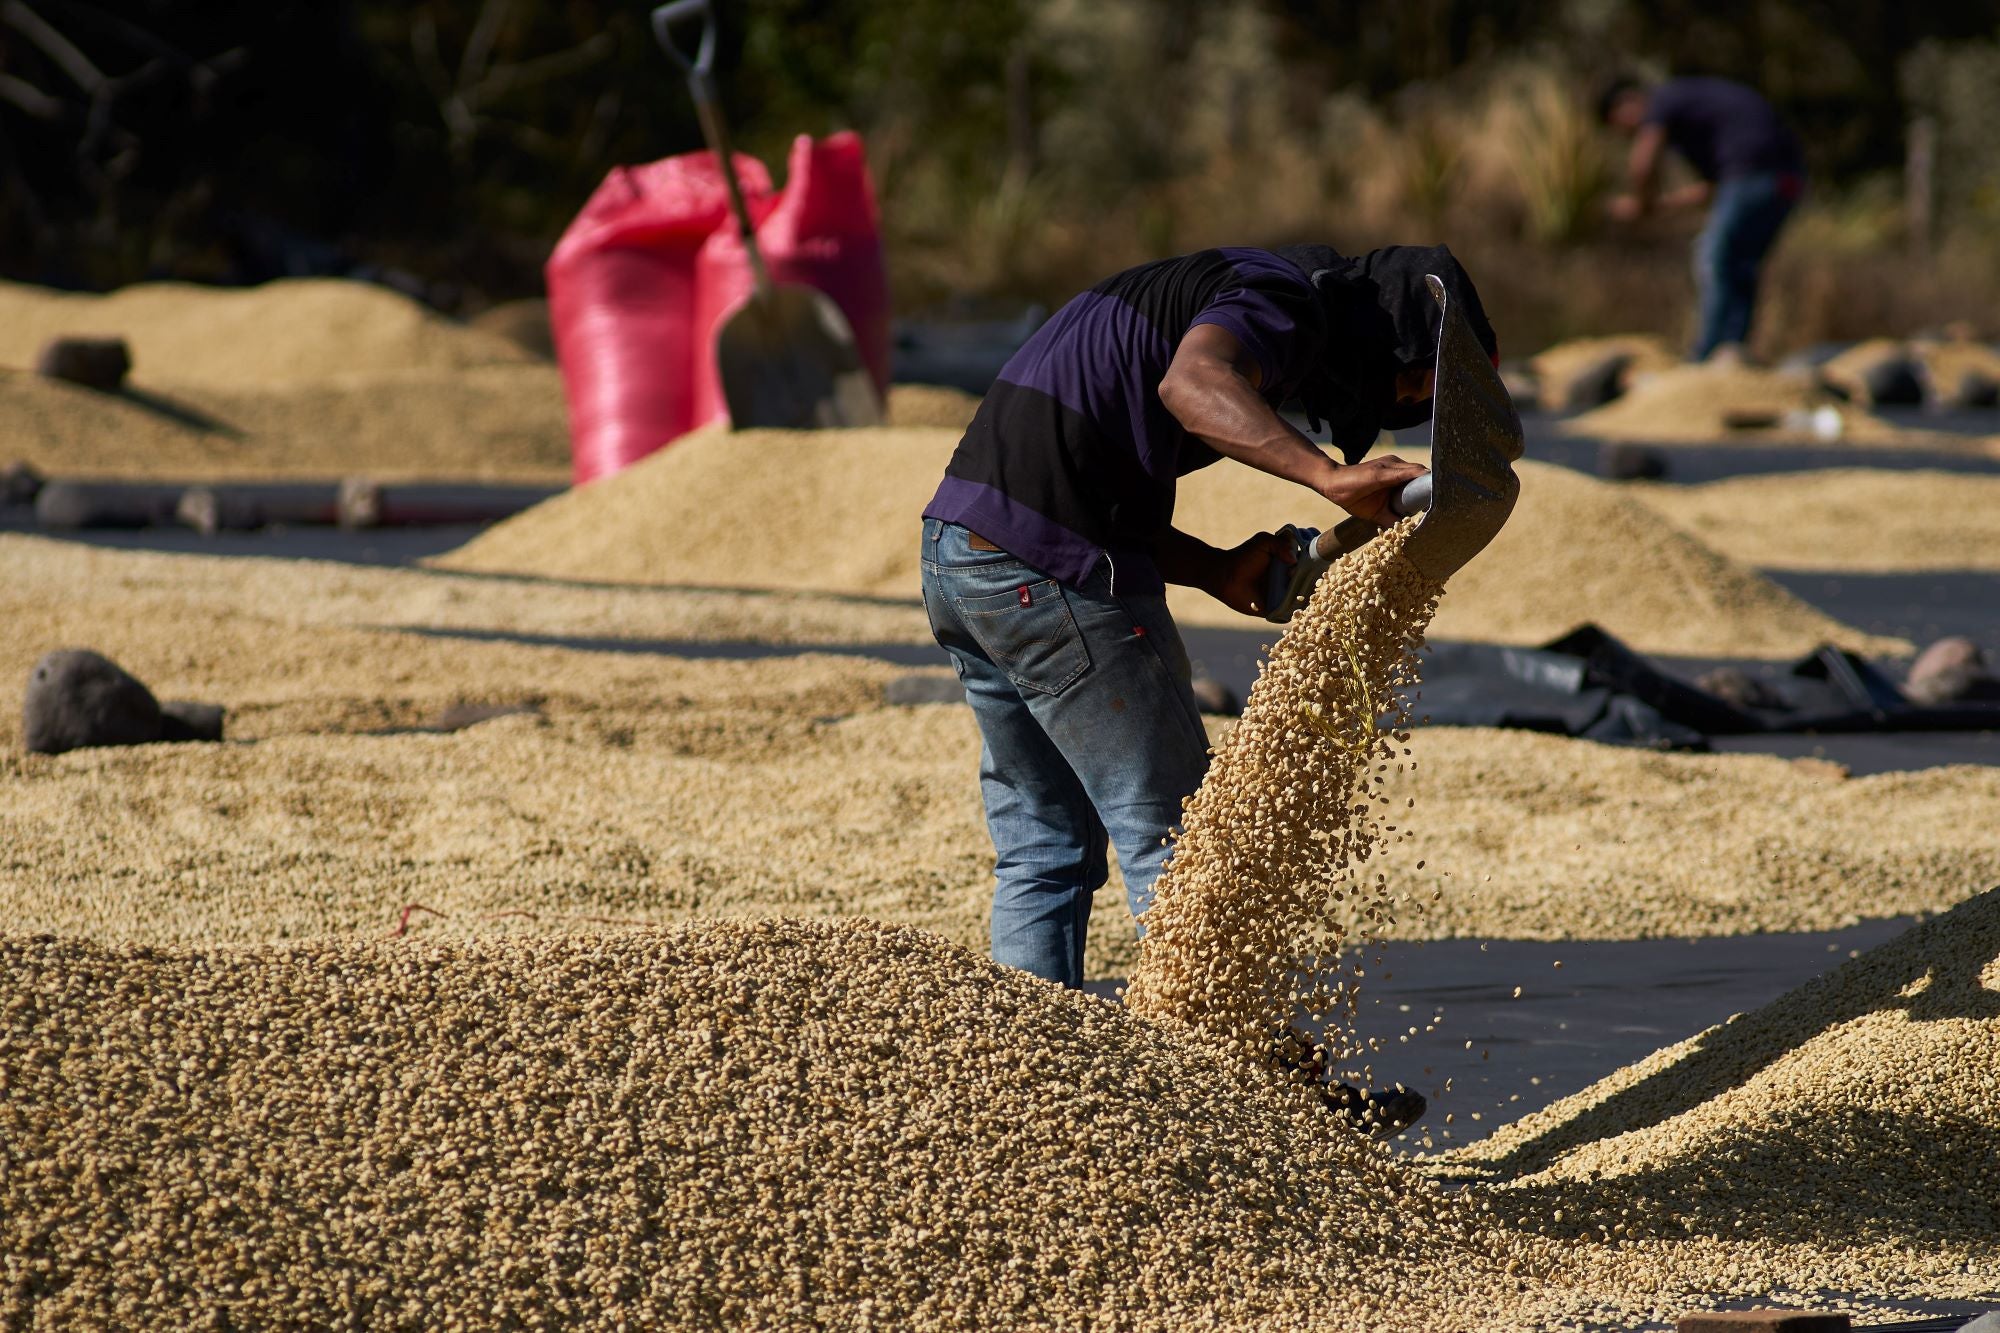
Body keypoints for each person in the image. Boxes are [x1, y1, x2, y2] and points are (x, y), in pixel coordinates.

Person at [919, 243, 1496, 994]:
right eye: (1413, 383)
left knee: (1045, 843)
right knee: (1184, 841)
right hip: (1049, 573)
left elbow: (1089, 479)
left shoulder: (1201, 291)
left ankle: (1024, 1085)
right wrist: (1329, 475)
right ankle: (1223, 1082)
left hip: (961, 557)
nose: (1405, 404)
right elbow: (1192, 385)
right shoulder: (1280, 297)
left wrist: (1217, 567)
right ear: (1389, 330)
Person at [1599, 75, 1806, 361]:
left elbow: (1643, 165)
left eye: (1619, 125)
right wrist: (1657, 207)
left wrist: (1641, 205)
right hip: (1786, 181)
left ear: (1629, 103)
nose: (1627, 134)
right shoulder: (1698, 124)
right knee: (1740, 266)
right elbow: (1711, 192)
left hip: (1756, 175)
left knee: (1714, 256)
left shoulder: (1663, 101)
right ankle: (1733, 349)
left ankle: (1708, 353)